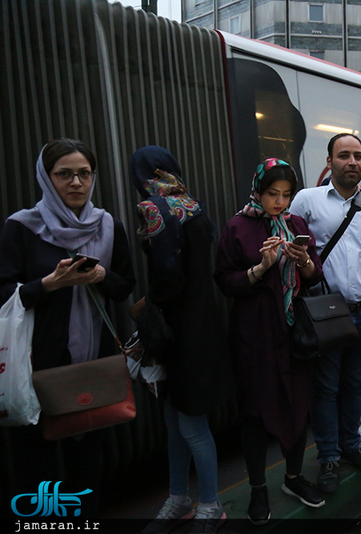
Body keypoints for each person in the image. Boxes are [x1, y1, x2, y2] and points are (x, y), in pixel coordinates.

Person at [0, 139, 136, 519]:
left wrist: (102, 275)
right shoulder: (21, 227)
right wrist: (47, 286)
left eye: (84, 173)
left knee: (86, 460)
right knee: (36, 463)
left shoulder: (108, 225)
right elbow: (3, 292)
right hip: (37, 365)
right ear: (47, 177)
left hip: (92, 363)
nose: (76, 182)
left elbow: (125, 286)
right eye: (64, 174)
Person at [215, 158, 326, 524]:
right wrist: (261, 269)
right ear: (258, 192)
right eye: (272, 194)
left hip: (293, 330)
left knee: (298, 403)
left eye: (286, 195)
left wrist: (303, 260)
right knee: (255, 411)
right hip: (255, 333)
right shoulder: (238, 227)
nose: (279, 202)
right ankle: (258, 488)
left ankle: (293, 477)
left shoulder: (295, 224)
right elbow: (226, 281)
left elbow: (314, 275)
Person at [289, 133, 361, 494]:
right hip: (325, 315)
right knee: (325, 388)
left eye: (358, 156)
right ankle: (329, 457)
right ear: (330, 161)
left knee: (354, 385)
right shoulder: (307, 200)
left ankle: (351, 447)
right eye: (344, 156)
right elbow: (285, 239)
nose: (352, 162)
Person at [131, 146, 228, 534]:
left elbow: (168, 279)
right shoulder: (195, 207)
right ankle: (179, 500)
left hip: (180, 334)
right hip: (202, 328)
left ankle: (209, 505)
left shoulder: (155, 209)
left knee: (187, 426)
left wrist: (146, 306)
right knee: (177, 422)